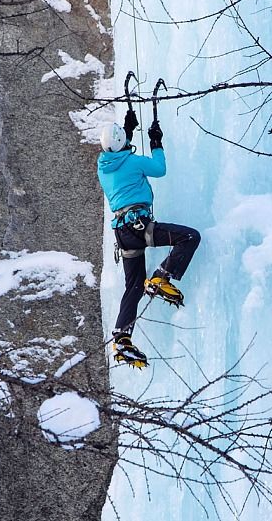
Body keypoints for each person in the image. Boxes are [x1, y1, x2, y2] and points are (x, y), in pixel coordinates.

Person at [97, 108, 201, 368]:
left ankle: (121, 338)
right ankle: (160, 277)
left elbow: (118, 153)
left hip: (122, 234)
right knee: (189, 237)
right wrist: (156, 142)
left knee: (133, 286)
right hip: (140, 226)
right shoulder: (134, 162)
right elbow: (159, 168)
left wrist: (128, 130)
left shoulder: (103, 167)